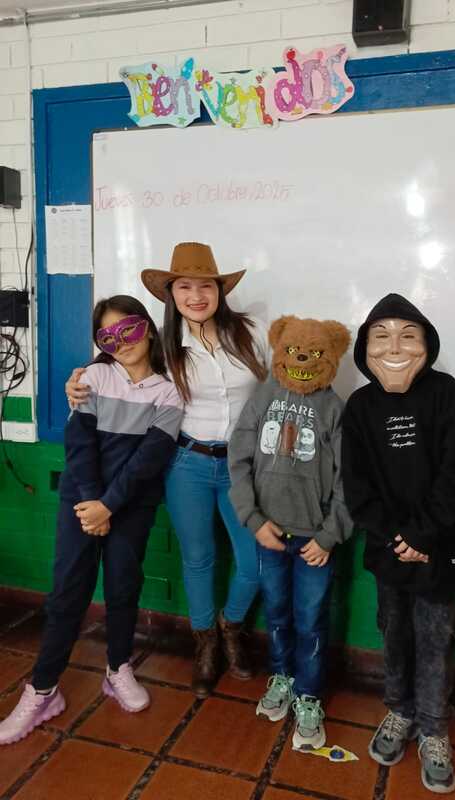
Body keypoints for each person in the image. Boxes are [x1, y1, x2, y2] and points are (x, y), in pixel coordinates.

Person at [67, 243, 269, 696]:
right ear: (171, 294)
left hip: (241, 466)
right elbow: (117, 360)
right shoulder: (162, 345)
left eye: (205, 286)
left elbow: (276, 386)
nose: (196, 296)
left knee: (254, 562)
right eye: (184, 287)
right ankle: (206, 643)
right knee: (198, 559)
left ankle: (231, 627)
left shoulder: (251, 333)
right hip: (186, 463)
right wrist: (77, 378)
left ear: (219, 290)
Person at [0, 296, 183, 745]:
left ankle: (117, 668)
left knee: (123, 587)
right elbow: (79, 445)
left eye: (129, 329)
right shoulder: (92, 378)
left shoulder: (169, 390)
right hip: (81, 504)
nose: (121, 342)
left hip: (130, 506)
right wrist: (91, 504)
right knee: (68, 592)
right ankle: (43, 690)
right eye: (108, 336)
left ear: (149, 328)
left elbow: (149, 460)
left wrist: (109, 506)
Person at [341, 294, 455, 794]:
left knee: (435, 637)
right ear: (365, 347)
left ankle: (434, 727)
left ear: (427, 344)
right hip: (389, 550)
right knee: (395, 632)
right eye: (381, 336)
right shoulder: (360, 407)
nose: (395, 347)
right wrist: (398, 538)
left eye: (408, 335)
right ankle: (399, 711)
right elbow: (357, 486)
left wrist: (423, 534)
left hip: (439, 548)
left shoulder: (445, 393)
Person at [228, 314, 353, 751]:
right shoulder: (263, 395)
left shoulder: (335, 409)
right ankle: (281, 676)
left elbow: (349, 480)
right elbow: (239, 459)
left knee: (311, 618)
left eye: (314, 353)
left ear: (332, 354)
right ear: (280, 348)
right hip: (269, 534)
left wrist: (330, 535)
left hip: (316, 541)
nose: (302, 359)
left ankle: (309, 694)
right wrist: (252, 519)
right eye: (294, 351)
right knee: (277, 611)